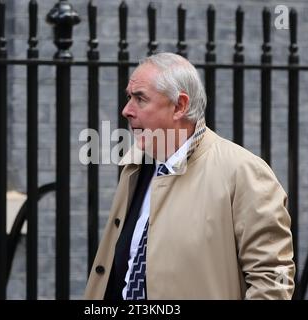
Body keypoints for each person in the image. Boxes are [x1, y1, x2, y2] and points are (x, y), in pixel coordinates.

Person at [84, 52, 295, 300]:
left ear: (180, 106)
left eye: (140, 99)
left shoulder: (243, 172)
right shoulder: (136, 165)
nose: (126, 110)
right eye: (129, 97)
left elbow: (273, 279)